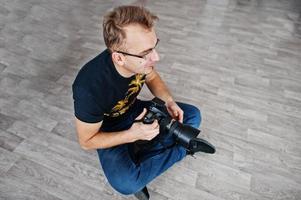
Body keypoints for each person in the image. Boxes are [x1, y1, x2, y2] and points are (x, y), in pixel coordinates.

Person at [72, 5, 213, 199]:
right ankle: (180, 149)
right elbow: (86, 142)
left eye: (154, 46)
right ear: (119, 58)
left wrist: (169, 101)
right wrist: (131, 135)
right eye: (146, 52)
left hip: (134, 111)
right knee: (127, 183)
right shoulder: (89, 88)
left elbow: (152, 77)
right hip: (109, 130)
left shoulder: (138, 62)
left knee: (192, 115)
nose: (156, 57)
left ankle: (145, 157)